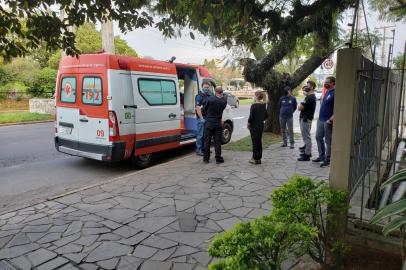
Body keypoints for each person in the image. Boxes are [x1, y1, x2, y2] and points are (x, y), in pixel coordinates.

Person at [202, 86, 227, 164]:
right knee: (217, 141)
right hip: (217, 122)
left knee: (207, 141)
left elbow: (204, 110)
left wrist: (206, 116)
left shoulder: (209, 99)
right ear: (221, 92)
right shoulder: (224, 101)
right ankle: (218, 158)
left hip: (209, 122)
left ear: (215, 91)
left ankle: (206, 158)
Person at [318, 76, 335, 167]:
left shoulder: (335, 93)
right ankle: (321, 157)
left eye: (327, 82)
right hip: (321, 119)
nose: (325, 84)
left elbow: (337, 108)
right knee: (318, 137)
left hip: (328, 121)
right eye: (325, 82)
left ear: (332, 83)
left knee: (328, 141)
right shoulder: (327, 91)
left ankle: (327, 159)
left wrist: (331, 119)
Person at [297, 84, 316, 161]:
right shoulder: (309, 97)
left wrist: (300, 105)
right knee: (305, 137)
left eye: (306, 87)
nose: (305, 89)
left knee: (306, 137)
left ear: (311, 88)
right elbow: (300, 107)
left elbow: (300, 107)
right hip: (305, 118)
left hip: (306, 119)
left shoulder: (310, 98)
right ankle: (307, 151)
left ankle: (307, 155)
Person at [248, 91, 268, 164]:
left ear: (256, 96)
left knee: (254, 142)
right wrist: (260, 119)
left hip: (254, 126)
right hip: (260, 125)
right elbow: (266, 116)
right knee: (259, 141)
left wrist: (248, 123)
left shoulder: (254, 105)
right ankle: (259, 158)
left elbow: (251, 117)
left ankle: (254, 158)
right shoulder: (263, 105)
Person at [195, 81, 212, 156]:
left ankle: (205, 149)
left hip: (207, 118)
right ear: (202, 87)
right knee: (200, 135)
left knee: (206, 135)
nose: (206, 88)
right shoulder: (199, 96)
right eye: (205, 87)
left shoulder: (209, 95)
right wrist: (201, 118)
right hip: (201, 118)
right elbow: (197, 109)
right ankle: (198, 150)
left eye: (208, 87)